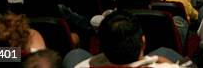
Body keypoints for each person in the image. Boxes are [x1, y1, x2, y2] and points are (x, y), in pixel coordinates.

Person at [64, 10, 192, 68]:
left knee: (75, 54)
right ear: (143, 42)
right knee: (165, 50)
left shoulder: (82, 65)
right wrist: (160, 60)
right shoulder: (164, 66)